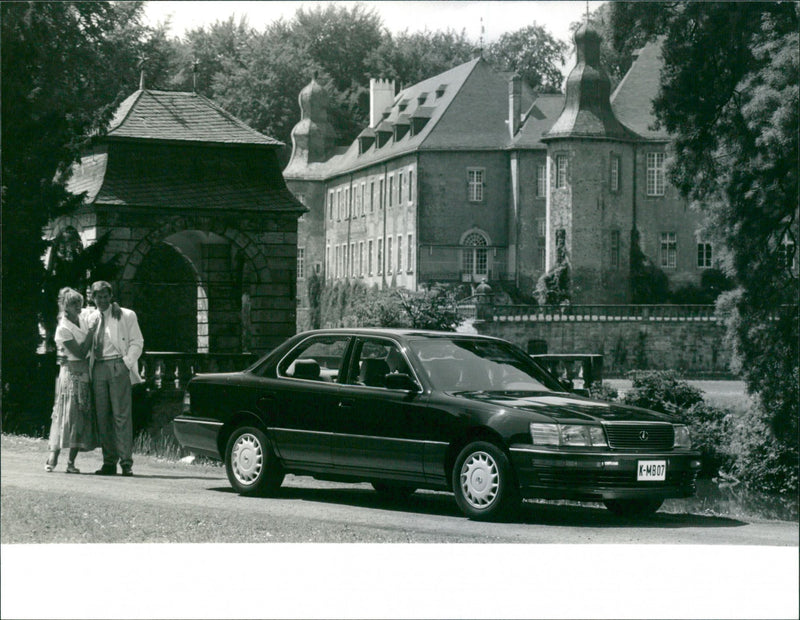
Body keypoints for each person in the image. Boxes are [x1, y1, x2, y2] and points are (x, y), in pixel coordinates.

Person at [89, 281, 144, 476]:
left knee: (121, 415)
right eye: (98, 297)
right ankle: (109, 461)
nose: (102, 300)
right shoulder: (90, 316)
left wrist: (126, 362)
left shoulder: (125, 315)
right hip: (98, 367)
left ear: (110, 296)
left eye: (105, 296)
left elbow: (137, 341)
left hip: (117, 365)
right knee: (102, 416)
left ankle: (126, 462)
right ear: (92, 298)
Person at [45, 288, 99, 473]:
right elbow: (80, 352)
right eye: (73, 303)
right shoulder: (63, 328)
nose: (78, 306)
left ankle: (71, 462)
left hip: (84, 373)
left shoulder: (82, 318)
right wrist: (91, 333)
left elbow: (98, 310)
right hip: (71, 373)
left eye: (79, 302)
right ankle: (53, 456)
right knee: (66, 413)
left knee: (80, 414)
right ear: (65, 306)